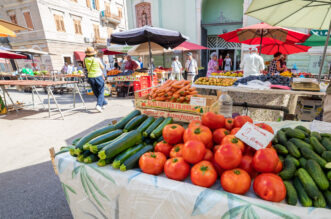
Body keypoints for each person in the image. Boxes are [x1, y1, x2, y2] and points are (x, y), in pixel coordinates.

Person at [83, 47, 107, 112]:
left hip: (90, 77)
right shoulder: (97, 59)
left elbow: (84, 67)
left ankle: (104, 103)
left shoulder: (85, 60)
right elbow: (103, 67)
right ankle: (99, 105)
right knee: (101, 91)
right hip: (98, 76)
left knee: (96, 92)